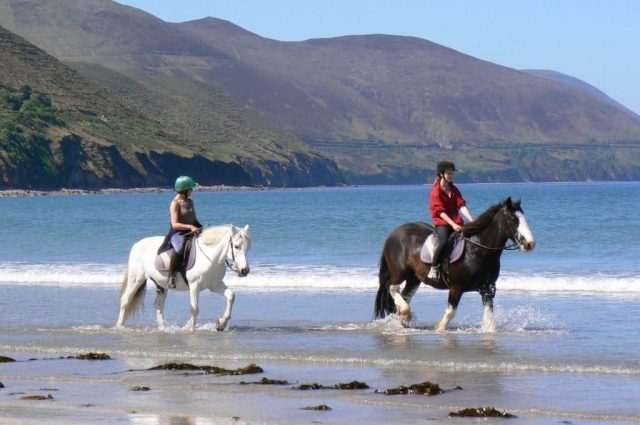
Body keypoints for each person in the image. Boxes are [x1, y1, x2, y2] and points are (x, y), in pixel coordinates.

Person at [427, 161, 473, 281]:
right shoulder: (435, 192)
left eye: (452, 173)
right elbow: (440, 212)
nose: (451, 176)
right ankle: (434, 267)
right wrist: (453, 225)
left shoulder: (454, 189)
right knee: (443, 242)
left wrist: (472, 221)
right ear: (441, 174)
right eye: (449, 173)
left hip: (456, 223)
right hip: (442, 224)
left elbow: (461, 206)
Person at [162, 176, 202, 288]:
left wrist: (199, 226)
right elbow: (175, 224)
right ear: (184, 190)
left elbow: (194, 219)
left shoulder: (190, 201)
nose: (192, 190)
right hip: (177, 233)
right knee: (179, 248)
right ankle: (172, 276)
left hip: (191, 230)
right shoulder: (175, 204)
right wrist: (190, 227)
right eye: (190, 188)